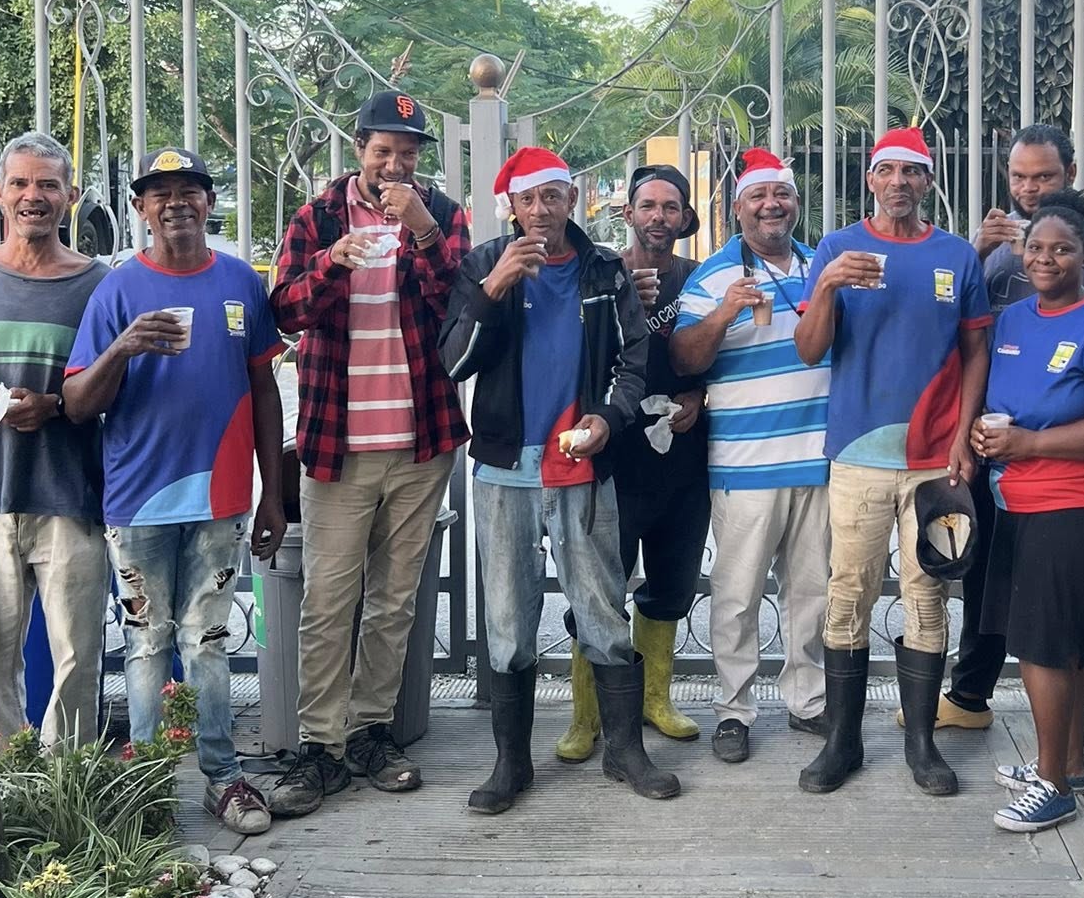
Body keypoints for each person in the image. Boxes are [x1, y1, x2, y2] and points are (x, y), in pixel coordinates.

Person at [441, 146, 680, 812]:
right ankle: (511, 762)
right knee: (508, 619)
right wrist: (493, 291)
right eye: (528, 199)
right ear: (511, 208)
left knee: (602, 609)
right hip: (504, 469)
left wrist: (609, 418)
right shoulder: (484, 264)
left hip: (582, 465)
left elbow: (634, 359)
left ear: (571, 200)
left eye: (552, 196)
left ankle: (625, 751)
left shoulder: (604, 268)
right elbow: (453, 364)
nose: (541, 210)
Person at [63, 148, 286, 835]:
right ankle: (148, 785)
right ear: (140, 208)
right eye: (160, 193)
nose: (175, 203)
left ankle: (222, 776)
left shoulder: (241, 281)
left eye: (189, 190)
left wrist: (273, 493)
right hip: (139, 502)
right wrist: (123, 347)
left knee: (207, 641)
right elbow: (77, 403)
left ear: (209, 202)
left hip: (221, 497)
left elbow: (264, 387)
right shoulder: (118, 289)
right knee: (144, 642)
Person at [267, 91, 469, 817]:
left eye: (407, 154)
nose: (395, 165)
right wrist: (333, 262)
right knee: (328, 600)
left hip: (420, 442)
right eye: (384, 151)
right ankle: (319, 745)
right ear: (359, 149)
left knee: (393, 600)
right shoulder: (317, 218)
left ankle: (370, 731)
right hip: (338, 443)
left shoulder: (441, 215)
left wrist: (422, 232)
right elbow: (285, 311)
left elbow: (460, 304)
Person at [793, 127, 990, 797]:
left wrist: (962, 436)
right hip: (858, 454)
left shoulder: (955, 256)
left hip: (936, 461)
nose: (899, 183)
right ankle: (842, 742)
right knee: (849, 588)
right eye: (888, 171)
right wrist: (826, 286)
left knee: (927, 592)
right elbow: (809, 350)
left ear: (928, 181)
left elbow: (976, 353)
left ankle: (921, 744)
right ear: (870, 180)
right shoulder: (837, 248)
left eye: (912, 172)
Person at [944, 122, 1084, 732]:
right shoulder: (996, 249)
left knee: (1053, 627)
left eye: (1044, 176)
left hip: (1073, 475)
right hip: (1001, 461)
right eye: (1019, 177)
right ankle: (971, 696)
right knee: (989, 583)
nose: (1030, 189)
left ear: (1071, 175)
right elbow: (959, 332)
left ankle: (1058, 755)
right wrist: (977, 252)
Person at [972, 190, 1084, 831]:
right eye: (1036, 248)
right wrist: (985, 435)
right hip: (1018, 499)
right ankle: (1069, 761)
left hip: (1078, 505)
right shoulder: (1014, 319)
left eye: (1062, 249)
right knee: (1069, 638)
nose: (1046, 259)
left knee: (1045, 645)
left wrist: (1029, 444)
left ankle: (1051, 786)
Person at [0, 133, 110, 749]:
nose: (32, 195)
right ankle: (9, 783)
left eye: (47, 184)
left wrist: (57, 405)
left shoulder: (100, 285)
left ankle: (69, 783)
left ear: (71, 196)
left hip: (72, 496)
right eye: (19, 183)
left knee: (78, 660)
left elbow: (122, 386)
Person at [671, 148, 831, 763]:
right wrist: (724, 313)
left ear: (796, 203)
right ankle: (734, 710)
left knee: (811, 593)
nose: (772, 205)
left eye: (781, 195)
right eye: (758, 196)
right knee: (737, 595)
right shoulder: (712, 276)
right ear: (737, 209)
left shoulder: (821, 266)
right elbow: (685, 359)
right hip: (744, 465)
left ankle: (808, 701)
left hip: (816, 459)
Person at [558, 161, 707, 761]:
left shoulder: (698, 278)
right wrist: (621, 311)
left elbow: (722, 357)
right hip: (613, 461)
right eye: (648, 206)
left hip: (683, 464)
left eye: (670, 207)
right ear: (628, 213)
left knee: (671, 586)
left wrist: (700, 397)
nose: (659, 217)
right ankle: (585, 715)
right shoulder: (600, 277)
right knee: (598, 590)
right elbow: (569, 358)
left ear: (685, 217)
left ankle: (654, 700)